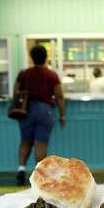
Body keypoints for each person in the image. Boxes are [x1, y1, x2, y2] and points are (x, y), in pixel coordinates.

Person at [14, 45, 65, 185]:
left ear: (32, 57)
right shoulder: (52, 75)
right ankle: (38, 176)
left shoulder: (23, 73)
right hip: (45, 110)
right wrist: (62, 114)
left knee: (25, 141)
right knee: (40, 144)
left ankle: (21, 170)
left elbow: (16, 92)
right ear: (46, 57)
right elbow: (59, 96)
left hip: (26, 110)